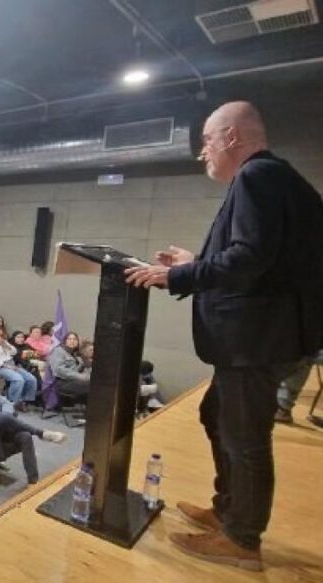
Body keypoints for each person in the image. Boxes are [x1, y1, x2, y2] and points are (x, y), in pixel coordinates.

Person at [124, 101, 323, 570]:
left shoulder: (257, 176)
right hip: (262, 335)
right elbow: (266, 261)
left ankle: (241, 539)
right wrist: (196, 262)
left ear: (232, 137)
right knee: (216, 415)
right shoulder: (276, 179)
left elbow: (249, 258)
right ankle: (228, 509)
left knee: (245, 437)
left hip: (256, 339)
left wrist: (176, 276)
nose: (203, 152)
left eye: (207, 141)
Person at [0, 361, 65, 484]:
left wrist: (7, 414)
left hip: (3, 421)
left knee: (25, 436)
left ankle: (33, 479)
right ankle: (40, 433)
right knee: (4, 417)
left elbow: (5, 402)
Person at [0, 326, 38, 406]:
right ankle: (12, 402)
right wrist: (8, 366)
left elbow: (14, 352)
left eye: (2, 335)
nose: (0, 337)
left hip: (11, 364)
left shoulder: (4, 342)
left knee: (31, 379)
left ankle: (24, 400)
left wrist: (6, 345)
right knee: (19, 380)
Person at [47, 331, 90, 403]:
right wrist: (80, 376)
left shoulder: (76, 353)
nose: (72, 341)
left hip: (74, 380)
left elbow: (83, 367)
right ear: (65, 341)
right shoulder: (59, 351)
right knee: (91, 385)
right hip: (62, 382)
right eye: (69, 339)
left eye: (74, 339)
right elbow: (58, 370)